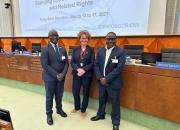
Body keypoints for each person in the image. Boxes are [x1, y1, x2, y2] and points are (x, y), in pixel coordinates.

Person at [90, 32, 125, 130]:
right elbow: (96, 64)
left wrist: (107, 78)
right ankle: (100, 114)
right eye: (109, 39)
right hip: (101, 81)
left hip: (113, 82)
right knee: (102, 99)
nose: (110, 41)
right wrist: (100, 78)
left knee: (115, 103)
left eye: (112, 39)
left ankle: (115, 121)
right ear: (105, 39)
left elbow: (119, 68)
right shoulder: (100, 50)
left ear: (116, 40)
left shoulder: (120, 51)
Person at [40, 29, 69, 125]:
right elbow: (45, 65)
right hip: (50, 78)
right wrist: (57, 75)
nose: (55, 37)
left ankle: (59, 110)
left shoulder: (62, 48)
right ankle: (49, 114)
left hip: (61, 78)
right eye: (52, 35)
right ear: (49, 37)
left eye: (56, 35)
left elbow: (66, 63)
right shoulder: (45, 49)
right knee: (49, 97)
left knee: (59, 95)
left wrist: (63, 74)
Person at [70, 30, 95, 118]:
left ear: (88, 39)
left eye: (86, 38)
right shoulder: (75, 49)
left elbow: (92, 63)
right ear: (79, 39)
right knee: (75, 92)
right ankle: (77, 107)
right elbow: (72, 62)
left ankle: (83, 110)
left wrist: (84, 70)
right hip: (77, 74)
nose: (84, 40)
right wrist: (77, 69)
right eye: (82, 38)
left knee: (85, 93)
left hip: (86, 75)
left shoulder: (91, 49)